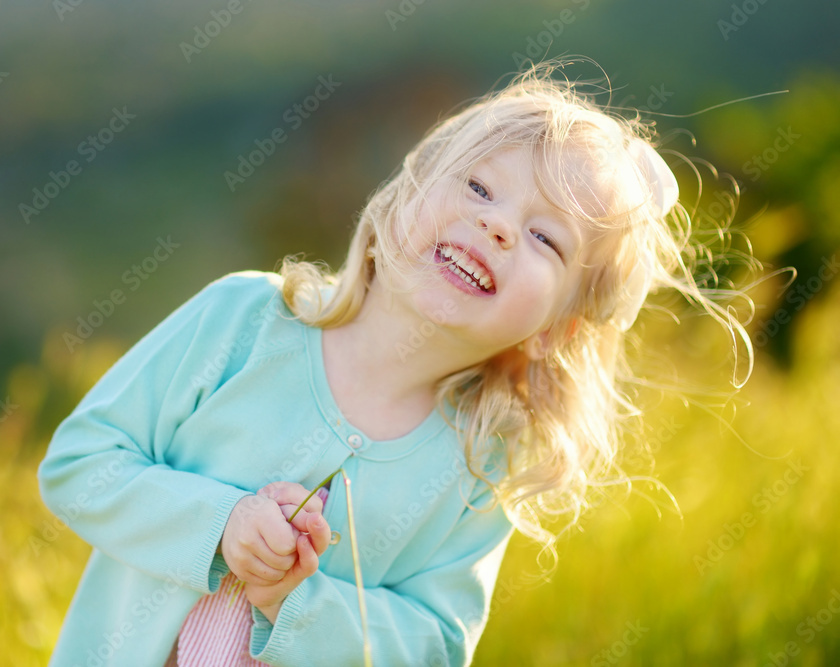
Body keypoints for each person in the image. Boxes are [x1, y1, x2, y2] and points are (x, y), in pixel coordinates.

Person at [37, 61, 754, 666]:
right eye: (477, 187)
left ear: (553, 332)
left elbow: (436, 643)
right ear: (407, 192)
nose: (498, 224)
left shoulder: (477, 467)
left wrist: (296, 600)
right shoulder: (244, 321)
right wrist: (222, 526)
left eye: (546, 238)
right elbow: (81, 462)